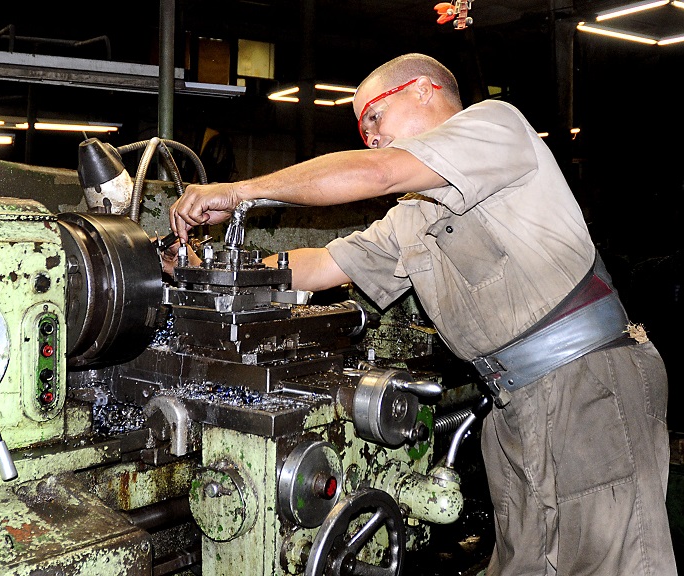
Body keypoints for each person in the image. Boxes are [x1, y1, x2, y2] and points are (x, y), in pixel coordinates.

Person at [166, 53, 676, 576]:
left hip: (588, 384)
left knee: (612, 561)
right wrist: (205, 266)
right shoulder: (414, 215)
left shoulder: (494, 126)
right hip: (514, 403)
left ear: (424, 90)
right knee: (525, 564)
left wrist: (243, 191)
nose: (372, 139)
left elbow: (377, 172)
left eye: (375, 120)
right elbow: (323, 264)